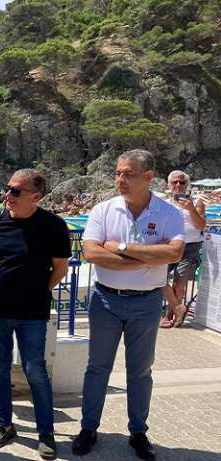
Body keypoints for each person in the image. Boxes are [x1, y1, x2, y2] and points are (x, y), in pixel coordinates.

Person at [73, 150, 184, 461]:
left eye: (128, 174)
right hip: (105, 299)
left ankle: (138, 432)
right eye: (118, 173)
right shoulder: (103, 210)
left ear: (148, 177)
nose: (119, 179)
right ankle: (88, 429)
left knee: (140, 371)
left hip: (147, 302)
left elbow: (174, 253)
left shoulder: (168, 213)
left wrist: (120, 248)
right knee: (97, 368)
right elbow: (92, 254)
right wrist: (147, 258)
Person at [0, 169, 71, 460]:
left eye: (16, 191)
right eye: (7, 189)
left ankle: (46, 433)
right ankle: (4, 425)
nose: (8, 195)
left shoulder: (54, 226)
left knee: (35, 371)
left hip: (33, 312)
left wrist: (36, 290)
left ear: (36, 196)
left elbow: (60, 267)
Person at [160, 170, 205, 328]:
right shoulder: (163, 203)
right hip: (169, 246)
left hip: (190, 246)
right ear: (169, 185)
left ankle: (170, 316)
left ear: (187, 185)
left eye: (182, 182)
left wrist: (191, 209)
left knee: (179, 283)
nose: (178, 185)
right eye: (174, 182)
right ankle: (178, 309)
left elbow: (201, 226)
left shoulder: (197, 202)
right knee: (157, 278)